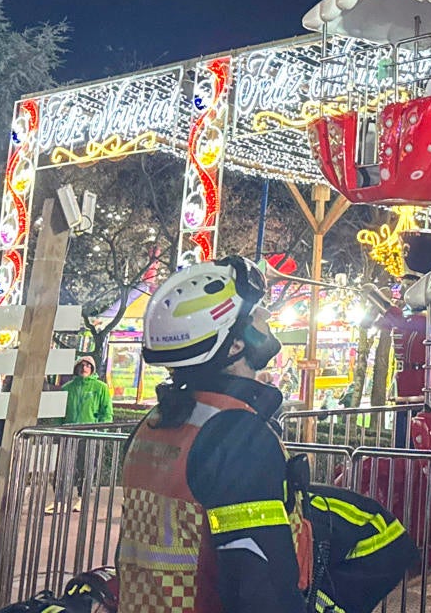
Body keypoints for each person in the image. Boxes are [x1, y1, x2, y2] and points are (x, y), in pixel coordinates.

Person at [117, 255, 306, 613]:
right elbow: (258, 576)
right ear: (235, 344)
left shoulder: (158, 420)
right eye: (253, 315)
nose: (265, 319)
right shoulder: (235, 434)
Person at [58, 357, 114, 426]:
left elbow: (107, 413)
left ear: (92, 369)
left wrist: (102, 432)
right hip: (68, 432)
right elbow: (58, 415)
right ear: (76, 368)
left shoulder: (101, 387)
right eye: (81, 365)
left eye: (88, 366)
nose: (84, 368)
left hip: (91, 433)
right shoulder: (66, 388)